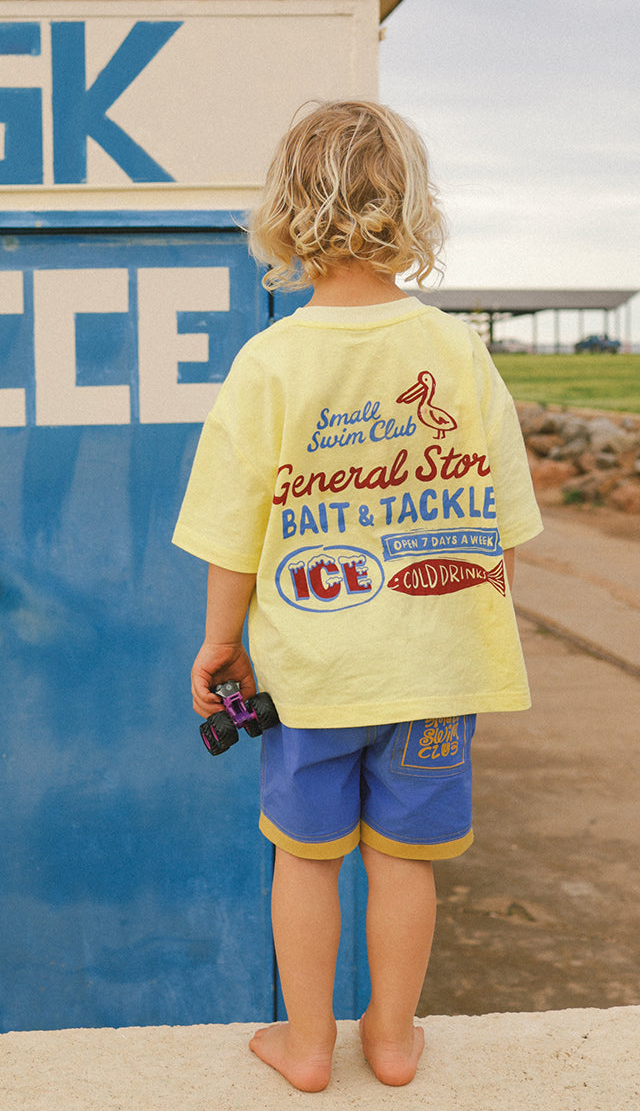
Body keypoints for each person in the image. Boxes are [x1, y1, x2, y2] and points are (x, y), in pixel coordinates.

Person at [172, 100, 542, 1092]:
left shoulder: (270, 363)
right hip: (433, 673)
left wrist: (219, 647)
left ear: (286, 213)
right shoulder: (456, 350)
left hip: (314, 675)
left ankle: (304, 1046)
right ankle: (389, 1037)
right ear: (412, 210)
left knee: (306, 857)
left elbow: (229, 534)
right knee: (404, 861)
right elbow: (503, 528)